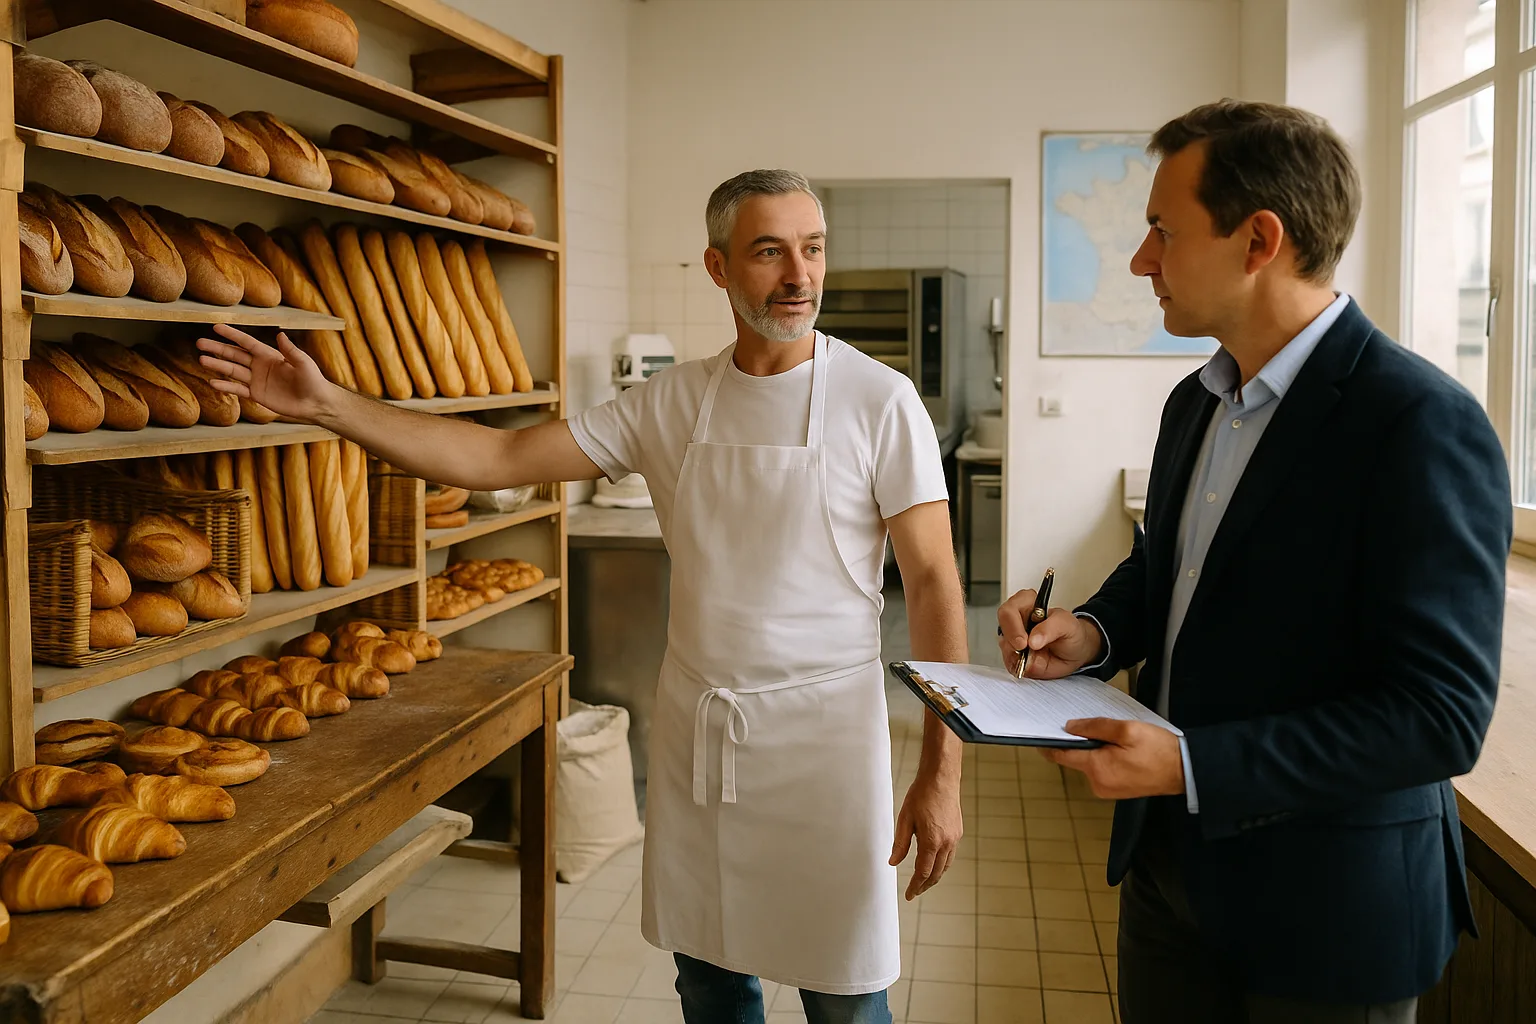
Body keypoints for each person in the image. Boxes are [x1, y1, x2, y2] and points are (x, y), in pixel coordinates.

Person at [198, 169, 967, 1024]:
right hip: (702, 742)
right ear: (718, 268)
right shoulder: (671, 402)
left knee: (847, 999)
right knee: (709, 986)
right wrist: (328, 404)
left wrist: (942, 773)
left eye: (813, 249)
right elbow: (497, 460)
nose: (799, 275)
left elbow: (934, 584)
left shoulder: (879, 400)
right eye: (768, 251)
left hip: (828, 750)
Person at [997, 100, 1512, 1024]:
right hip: (1167, 879)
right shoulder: (1194, 403)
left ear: (1259, 238)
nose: (1140, 259)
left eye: (1161, 230)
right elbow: (1173, 567)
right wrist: (1095, 630)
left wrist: (1191, 763)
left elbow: (1439, 718)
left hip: (1324, 911)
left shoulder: (1419, 423)